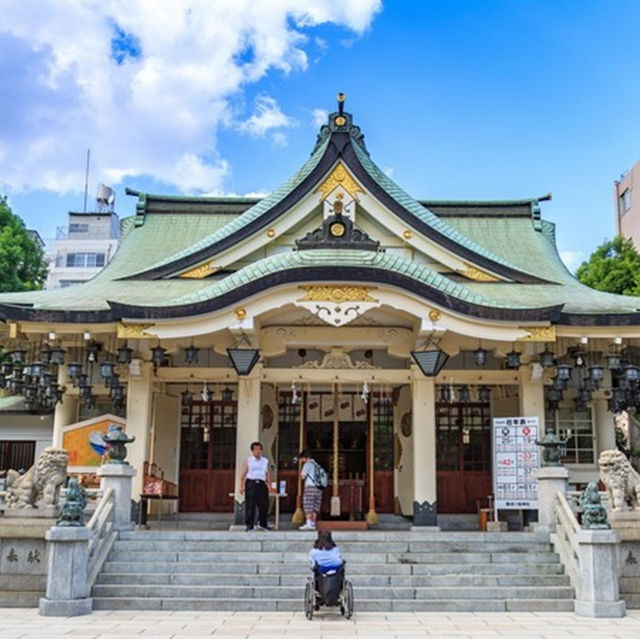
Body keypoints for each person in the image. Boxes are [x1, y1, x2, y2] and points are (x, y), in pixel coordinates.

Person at [239, 441, 273, 531]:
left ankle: (263, 523)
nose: (258, 451)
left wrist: (269, 485)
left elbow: (267, 473)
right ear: (252, 451)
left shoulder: (265, 461)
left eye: (259, 449)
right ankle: (249, 525)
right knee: (250, 505)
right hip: (251, 483)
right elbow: (243, 473)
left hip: (261, 483)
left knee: (264, 504)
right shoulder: (248, 460)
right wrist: (241, 485)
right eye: (256, 450)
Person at [299, 449, 323, 531]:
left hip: (310, 487)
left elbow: (303, 476)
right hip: (319, 488)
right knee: (315, 507)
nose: (301, 461)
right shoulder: (317, 465)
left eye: (302, 459)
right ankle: (313, 523)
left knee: (308, 504)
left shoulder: (307, 465)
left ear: (306, 458)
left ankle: (308, 523)